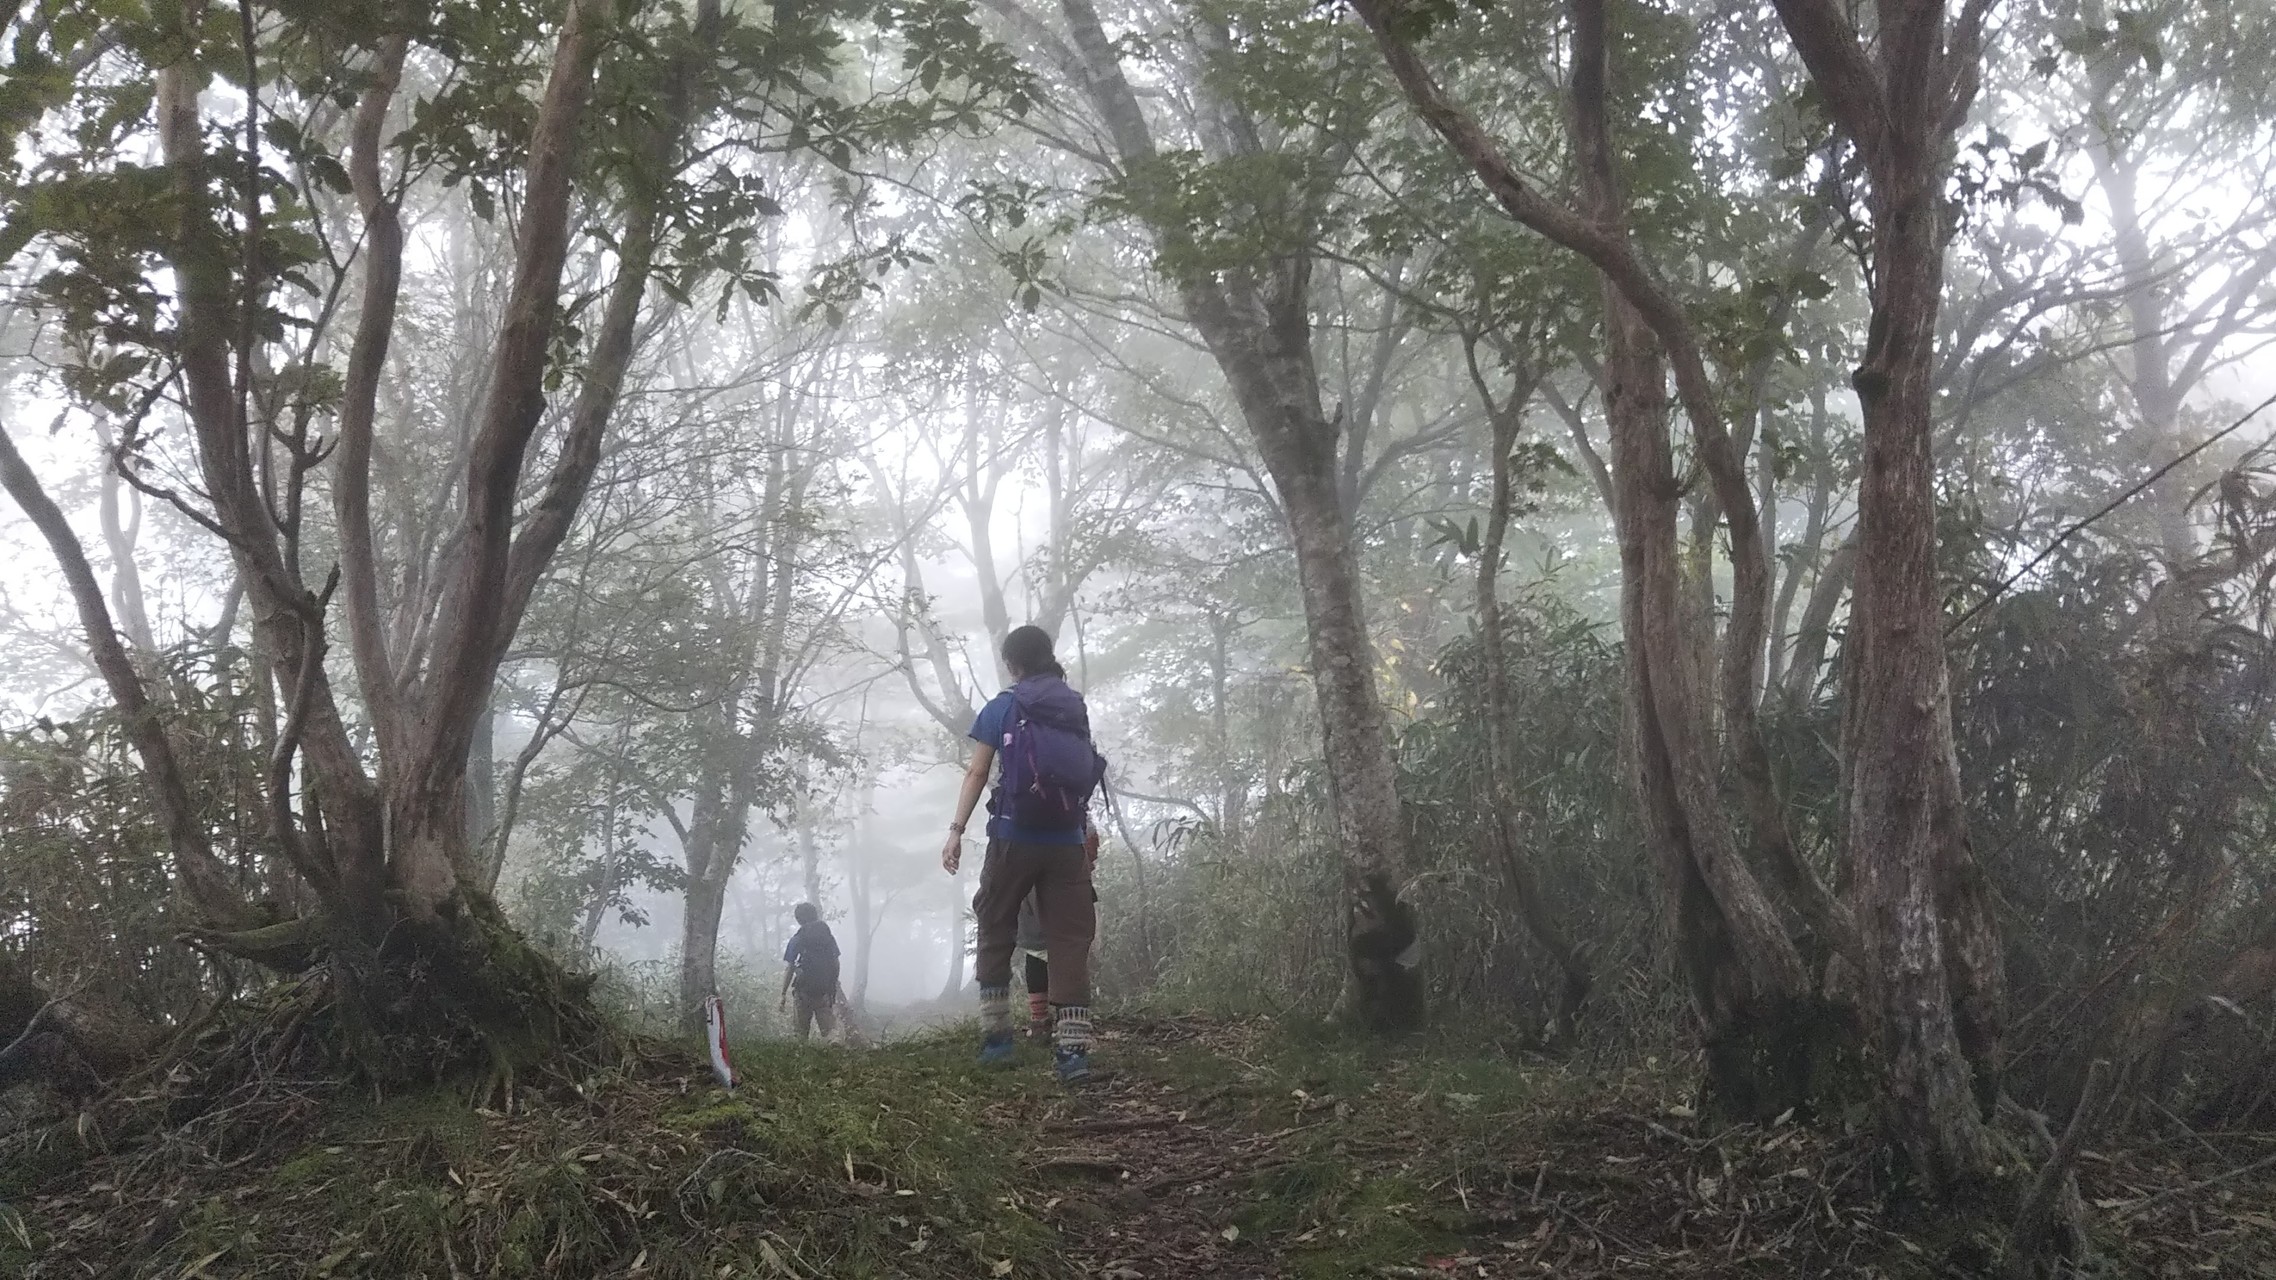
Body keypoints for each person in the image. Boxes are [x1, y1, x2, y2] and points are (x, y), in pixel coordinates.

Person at [942, 625, 1105, 1083]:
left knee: (995, 923)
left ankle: (997, 1041)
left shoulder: (1002, 706)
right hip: (1067, 839)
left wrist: (956, 831)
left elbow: (977, 772)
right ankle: (1072, 1052)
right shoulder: (1073, 706)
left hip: (1014, 836)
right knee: (1069, 939)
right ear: (1048, 657)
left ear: (1012, 663)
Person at [778, 902, 841, 1042]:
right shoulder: (828, 937)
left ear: (798, 919)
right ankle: (835, 1053)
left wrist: (783, 994)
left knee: (800, 1034)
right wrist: (832, 987)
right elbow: (836, 963)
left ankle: (801, 1061)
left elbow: (790, 968)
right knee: (830, 1032)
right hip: (824, 992)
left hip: (803, 992)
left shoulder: (797, 939)